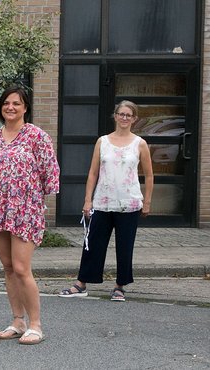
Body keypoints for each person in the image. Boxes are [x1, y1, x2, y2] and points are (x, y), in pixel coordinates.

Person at [0, 86, 60, 345]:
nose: (10, 107)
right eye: (6, 103)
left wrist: (32, 201)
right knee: (8, 268)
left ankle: (36, 324)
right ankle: (17, 320)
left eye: (16, 103)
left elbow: (51, 174)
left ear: (25, 107)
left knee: (23, 268)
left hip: (25, 210)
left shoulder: (37, 136)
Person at [59, 100, 154, 302]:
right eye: (121, 114)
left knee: (125, 246)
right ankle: (82, 283)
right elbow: (93, 172)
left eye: (129, 115)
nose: (124, 118)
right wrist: (87, 200)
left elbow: (149, 175)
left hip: (129, 203)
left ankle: (120, 286)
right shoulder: (103, 141)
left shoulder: (140, 144)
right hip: (102, 201)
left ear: (134, 119)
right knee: (93, 244)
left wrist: (147, 202)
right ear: (115, 115)